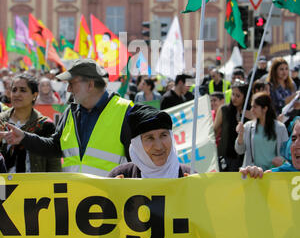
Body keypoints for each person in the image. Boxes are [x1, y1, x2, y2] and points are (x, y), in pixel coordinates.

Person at [0, 59, 133, 177]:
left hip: (111, 199)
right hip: (74, 197)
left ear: (90, 85)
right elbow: (55, 147)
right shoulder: (71, 111)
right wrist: (24, 137)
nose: (68, 89)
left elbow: (138, 162)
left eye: (72, 83)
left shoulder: (125, 111)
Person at [108, 104, 191, 178]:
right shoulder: (122, 176)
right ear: (137, 145)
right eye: (150, 138)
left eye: (163, 135)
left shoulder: (189, 176)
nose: (158, 147)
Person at [0, 73, 61, 173]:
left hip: (34, 186)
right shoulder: (1, 122)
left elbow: (54, 165)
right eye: (14, 90)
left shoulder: (45, 125)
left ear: (34, 95)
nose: (16, 94)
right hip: (3, 186)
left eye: (23, 90)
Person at [235, 92, 288, 171]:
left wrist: (281, 161)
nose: (251, 110)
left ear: (265, 108)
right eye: (251, 107)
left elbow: (286, 152)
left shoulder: (280, 128)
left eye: (255, 107)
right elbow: (239, 151)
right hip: (253, 174)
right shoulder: (248, 126)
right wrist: (240, 135)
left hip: (272, 173)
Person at [213, 80, 252, 172]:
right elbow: (214, 132)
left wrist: (252, 117)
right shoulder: (224, 110)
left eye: (238, 96)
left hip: (244, 158)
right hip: (226, 157)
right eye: (233, 94)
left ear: (245, 97)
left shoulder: (251, 113)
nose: (234, 98)